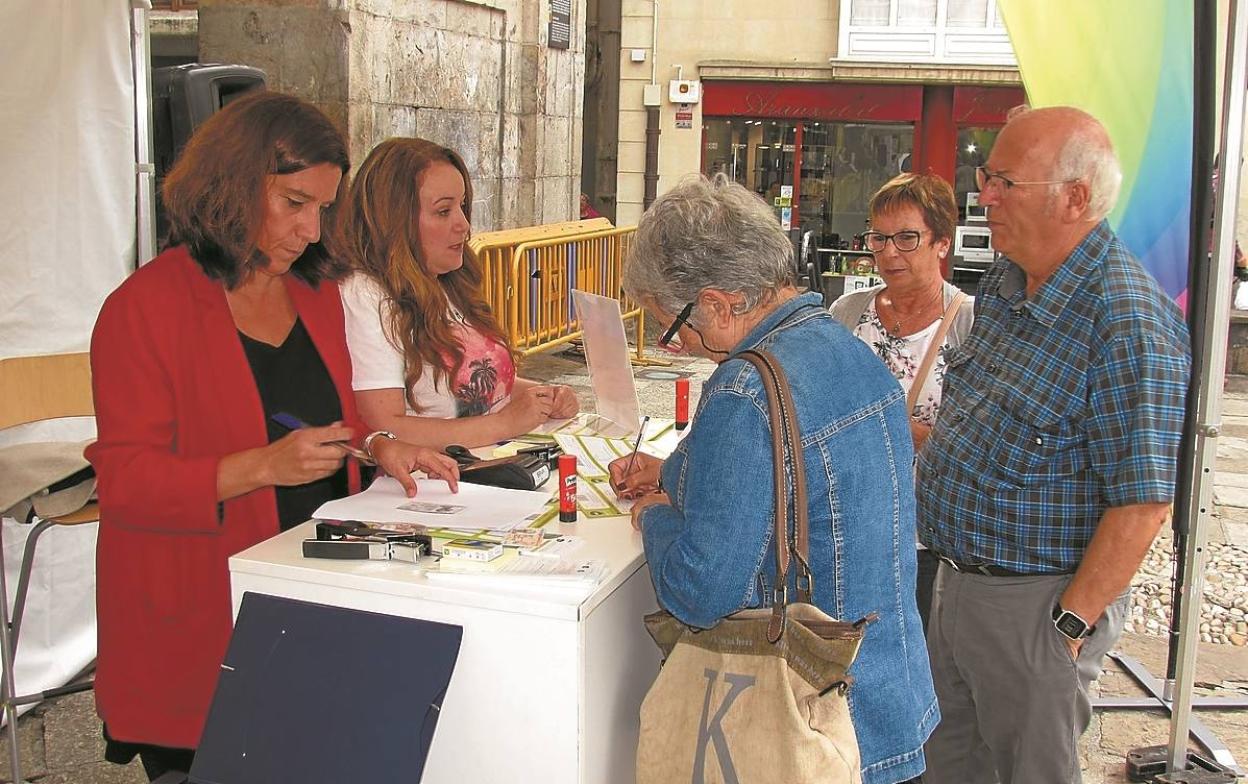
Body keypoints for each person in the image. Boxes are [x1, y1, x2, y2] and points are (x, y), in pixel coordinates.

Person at [86, 92, 460, 781]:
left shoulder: (317, 294)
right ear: (231, 185)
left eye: (323, 208)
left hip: (312, 602)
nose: (312, 231)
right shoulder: (143, 309)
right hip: (197, 620)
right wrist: (258, 467)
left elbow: (334, 420)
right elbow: (126, 483)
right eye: (294, 203)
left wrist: (380, 446)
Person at [608, 174, 938, 784]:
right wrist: (675, 474)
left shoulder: (744, 389)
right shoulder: (850, 351)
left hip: (810, 721)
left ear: (718, 302)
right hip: (889, 699)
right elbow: (770, 472)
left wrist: (652, 513)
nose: (676, 341)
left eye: (673, 321)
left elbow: (697, 592)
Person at [916, 106, 1191, 783]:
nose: (985, 196)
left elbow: (1146, 505)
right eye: (987, 176)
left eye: (1007, 181)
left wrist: (1069, 626)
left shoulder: (1126, 319)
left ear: (1074, 198)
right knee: (943, 767)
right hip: (956, 586)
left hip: (1034, 608)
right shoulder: (1009, 284)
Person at [337, 138, 578, 449]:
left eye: (462, 206)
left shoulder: (448, 280)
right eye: (443, 211)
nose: (463, 224)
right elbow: (381, 427)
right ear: (395, 220)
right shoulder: (365, 293)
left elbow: (474, 389)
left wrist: (544, 396)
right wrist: (503, 423)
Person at [830, 172, 974, 630]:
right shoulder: (848, 312)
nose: (889, 252)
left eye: (908, 238)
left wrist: (889, 429)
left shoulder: (970, 325)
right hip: (847, 525)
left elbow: (977, 450)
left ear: (942, 244)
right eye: (879, 237)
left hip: (926, 540)